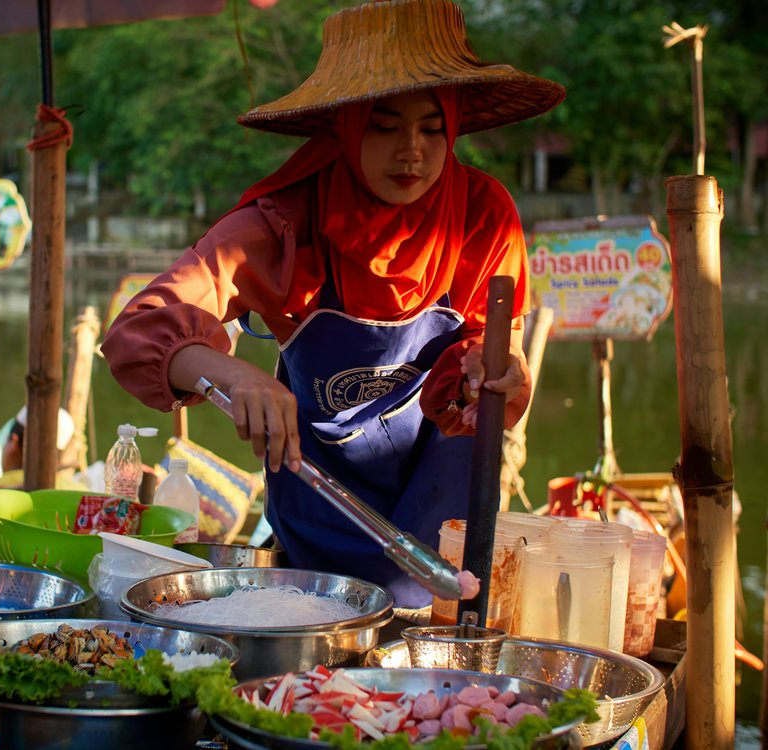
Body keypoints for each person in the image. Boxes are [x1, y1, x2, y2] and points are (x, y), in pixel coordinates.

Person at [101, 0, 565, 607]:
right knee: (322, 627)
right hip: (320, 500)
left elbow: (494, 343)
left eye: (432, 128)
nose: (412, 151)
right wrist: (233, 374)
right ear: (345, 127)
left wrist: (492, 367)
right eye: (384, 126)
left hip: (444, 507)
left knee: (448, 628)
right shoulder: (284, 226)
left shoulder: (483, 216)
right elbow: (138, 329)